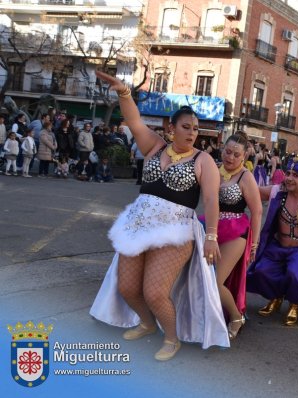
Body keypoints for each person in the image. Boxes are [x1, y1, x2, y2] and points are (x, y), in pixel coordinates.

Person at [89, 71, 229, 360]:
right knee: (128, 287)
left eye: (195, 129)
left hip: (176, 230)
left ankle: (171, 337)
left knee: (154, 292)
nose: (192, 133)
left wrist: (212, 236)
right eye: (186, 127)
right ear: (171, 128)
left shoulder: (203, 161)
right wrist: (124, 93)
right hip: (138, 225)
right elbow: (135, 121)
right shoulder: (154, 145)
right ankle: (147, 323)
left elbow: (212, 199)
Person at [247, 159, 298, 326]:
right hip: (277, 246)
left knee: (294, 274)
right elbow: (252, 190)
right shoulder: (277, 192)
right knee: (261, 271)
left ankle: (294, 304)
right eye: (288, 174)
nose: (289, 178)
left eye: (296, 175)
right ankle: (276, 297)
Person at [208, 131, 262, 339]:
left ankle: (236, 316)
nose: (230, 157)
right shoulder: (213, 170)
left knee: (215, 280)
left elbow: (256, 211)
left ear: (244, 157)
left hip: (236, 231)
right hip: (212, 227)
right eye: (227, 152)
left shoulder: (245, 177)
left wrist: (254, 244)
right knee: (201, 275)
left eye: (236, 155)